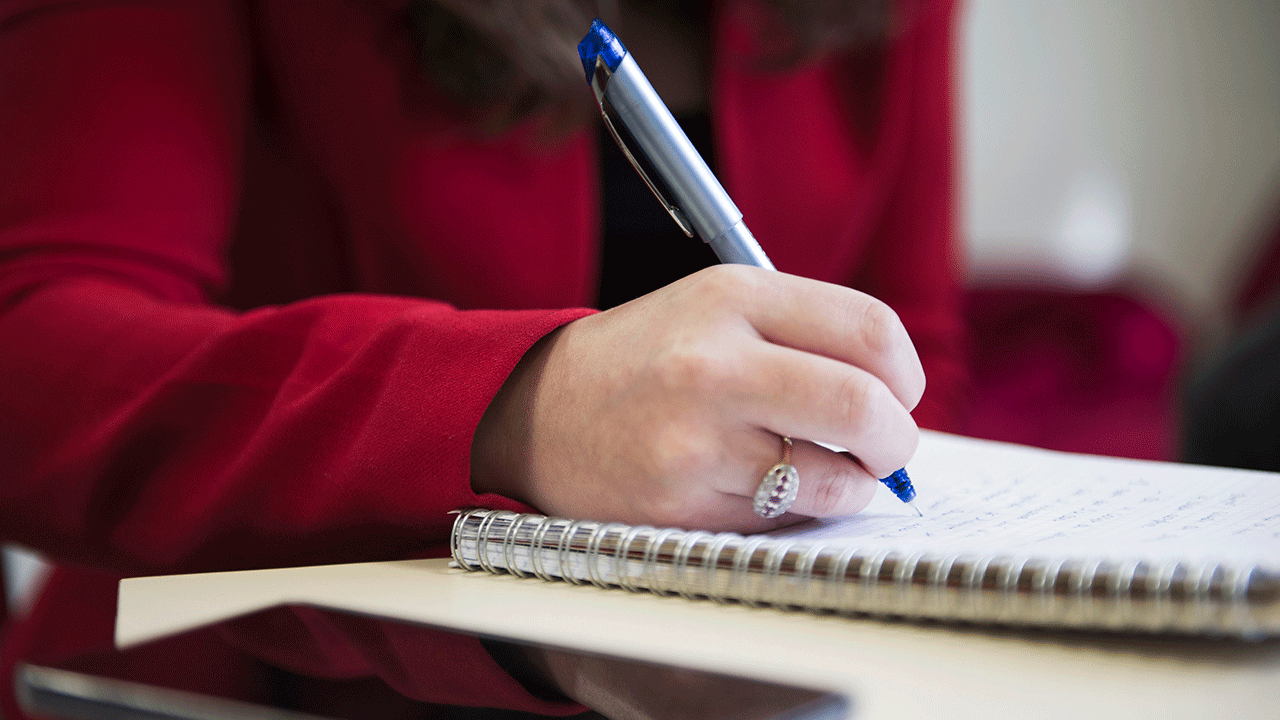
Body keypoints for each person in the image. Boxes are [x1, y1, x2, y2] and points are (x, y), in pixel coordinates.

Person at [0, 0, 963, 716]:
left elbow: (915, 336)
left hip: (748, 674)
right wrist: (521, 406)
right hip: (263, 672)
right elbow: (35, 356)